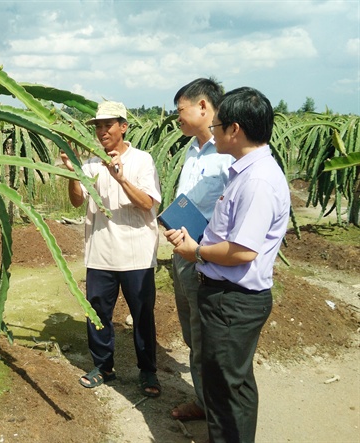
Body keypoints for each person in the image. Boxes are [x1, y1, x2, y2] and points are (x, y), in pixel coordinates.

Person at [165, 87, 290, 443]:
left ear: (233, 129)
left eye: (218, 126)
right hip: (227, 295)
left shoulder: (258, 181)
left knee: (225, 390)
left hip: (233, 299)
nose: (214, 132)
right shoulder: (246, 172)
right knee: (232, 384)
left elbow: (243, 251)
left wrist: (198, 252)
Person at [60, 101, 162, 397]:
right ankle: (103, 367)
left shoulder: (142, 161)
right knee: (98, 313)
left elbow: (148, 204)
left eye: (108, 125)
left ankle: (148, 371)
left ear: (123, 126)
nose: (102, 131)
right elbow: (77, 202)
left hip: (136, 254)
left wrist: (120, 177)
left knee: (142, 314)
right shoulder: (90, 164)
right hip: (100, 252)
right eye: (98, 126)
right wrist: (72, 173)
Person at [168, 78, 233, 422]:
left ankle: (219, 413)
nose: (177, 117)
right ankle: (204, 402)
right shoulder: (192, 149)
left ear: (203, 106)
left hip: (209, 260)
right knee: (193, 334)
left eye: (181, 110)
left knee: (209, 339)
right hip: (183, 255)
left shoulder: (227, 153)